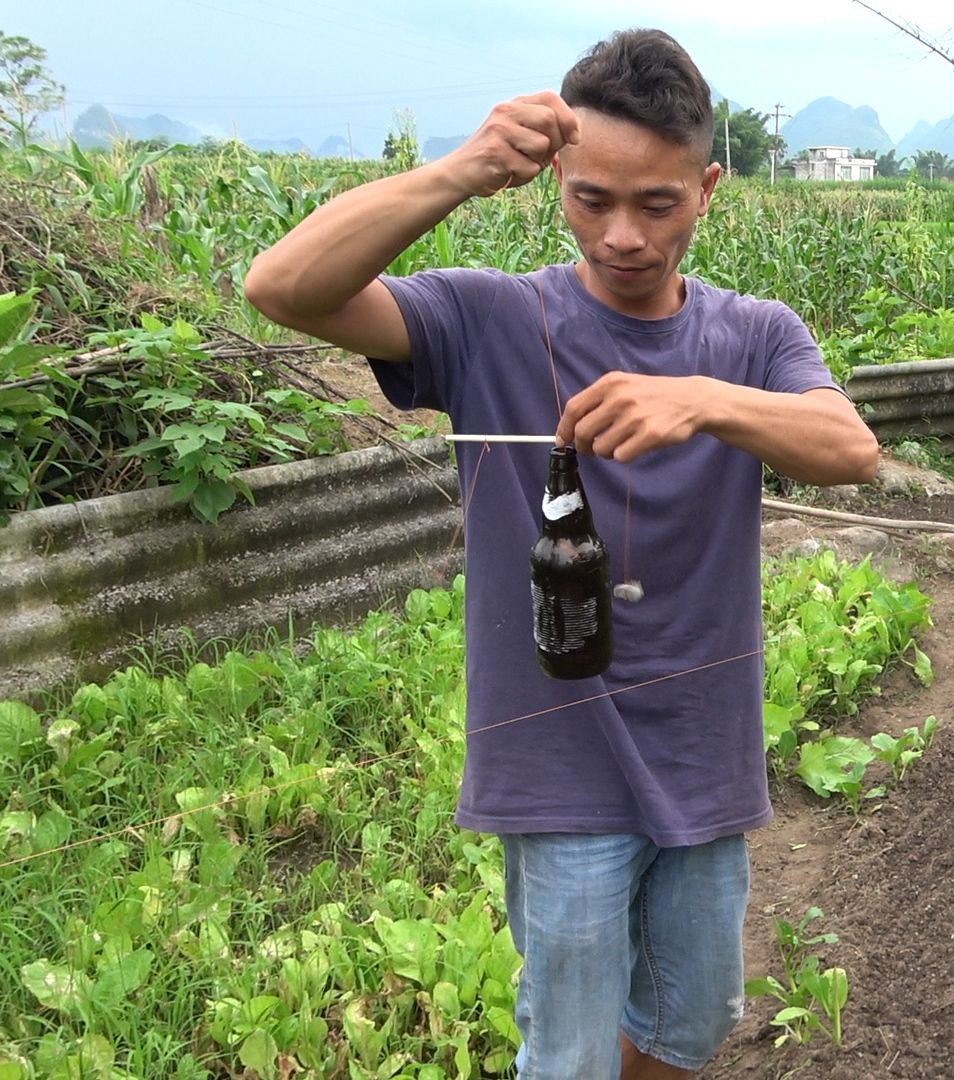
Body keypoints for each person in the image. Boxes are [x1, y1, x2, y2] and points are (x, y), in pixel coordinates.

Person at [244, 28, 879, 1079]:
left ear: (709, 187)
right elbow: (284, 287)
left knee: (693, 1021)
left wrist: (704, 401)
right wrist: (459, 170)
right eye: (592, 199)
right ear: (555, 184)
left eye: (657, 203)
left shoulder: (756, 338)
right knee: (571, 1051)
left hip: (701, 754)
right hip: (556, 761)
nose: (623, 234)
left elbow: (849, 449)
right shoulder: (491, 318)